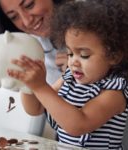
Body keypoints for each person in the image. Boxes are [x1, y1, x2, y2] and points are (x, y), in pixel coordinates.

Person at [7, 0, 128, 149]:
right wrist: (28, 84)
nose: (73, 62)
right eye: (70, 53)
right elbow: (36, 108)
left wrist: (40, 86)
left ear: (113, 56)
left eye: (84, 55)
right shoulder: (68, 78)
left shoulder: (114, 92)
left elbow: (78, 125)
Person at [0, 0, 69, 138]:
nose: (27, 21)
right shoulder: (32, 45)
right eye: (13, 17)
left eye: (29, 5)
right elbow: (35, 109)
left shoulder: (95, 22)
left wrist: (85, 65)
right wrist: (30, 83)